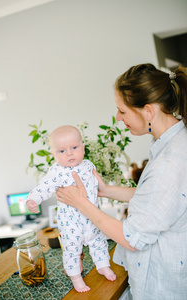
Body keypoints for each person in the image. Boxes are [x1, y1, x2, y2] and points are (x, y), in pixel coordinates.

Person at [56, 63, 187, 299]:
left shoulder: (170, 162)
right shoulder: (172, 142)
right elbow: (156, 200)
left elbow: (132, 238)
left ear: (148, 111)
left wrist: (82, 204)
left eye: (122, 111)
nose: (117, 118)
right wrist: (106, 190)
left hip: (162, 287)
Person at [26, 125, 116, 293]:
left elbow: (97, 185)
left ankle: (103, 265)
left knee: (99, 242)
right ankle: (76, 277)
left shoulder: (89, 165)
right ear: (53, 154)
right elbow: (44, 186)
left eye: (74, 148)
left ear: (83, 147)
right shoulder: (56, 171)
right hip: (71, 222)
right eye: (61, 151)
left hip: (92, 217)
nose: (69, 153)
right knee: (72, 250)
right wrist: (33, 199)